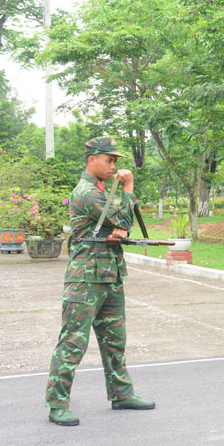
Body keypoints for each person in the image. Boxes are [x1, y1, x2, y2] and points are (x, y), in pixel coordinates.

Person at [45, 136, 155, 426]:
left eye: (115, 161)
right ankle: (57, 405)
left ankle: (121, 394)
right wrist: (128, 188)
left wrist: (119, 225)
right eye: (109, 160)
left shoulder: (103, 191)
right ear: (91, 160)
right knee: (72, 343)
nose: (113, 166)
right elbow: (121, 217)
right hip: (85, 281)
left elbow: (120, 222)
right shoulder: (86, 192)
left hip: (109, 276)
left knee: (115, 341)